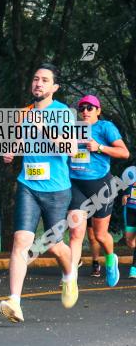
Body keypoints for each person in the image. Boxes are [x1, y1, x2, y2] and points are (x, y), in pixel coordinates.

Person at [0, 64, 77, 323]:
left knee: (54, 245)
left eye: (44, 80)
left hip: (56, 189)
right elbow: (18, 140)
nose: (38, 83)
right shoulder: (24, 113)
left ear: (54, 87)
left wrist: (44, 128)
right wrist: (11, 151)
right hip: (28, 186)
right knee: (21, 240)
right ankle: (15, 302)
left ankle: (69, 275)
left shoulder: (63, 113)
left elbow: (71, 148)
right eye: (35, 79)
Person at [65, 95, 129, 287]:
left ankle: (110, 258)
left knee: (100, 236)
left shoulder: (105, 127)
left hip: (101, 186)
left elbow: (124, 153)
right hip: (76, 185)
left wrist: (99, 147)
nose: (85, 111)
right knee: (76, 234)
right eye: (82, 107)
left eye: (90, 108)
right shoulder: (73, 128)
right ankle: (70, 279)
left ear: (98, 111)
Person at [124, 185, 136, 278]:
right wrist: (124, 197)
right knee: (131, 243)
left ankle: (134, 268)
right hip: (130, 211)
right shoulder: (129, 180)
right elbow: (124, 197)